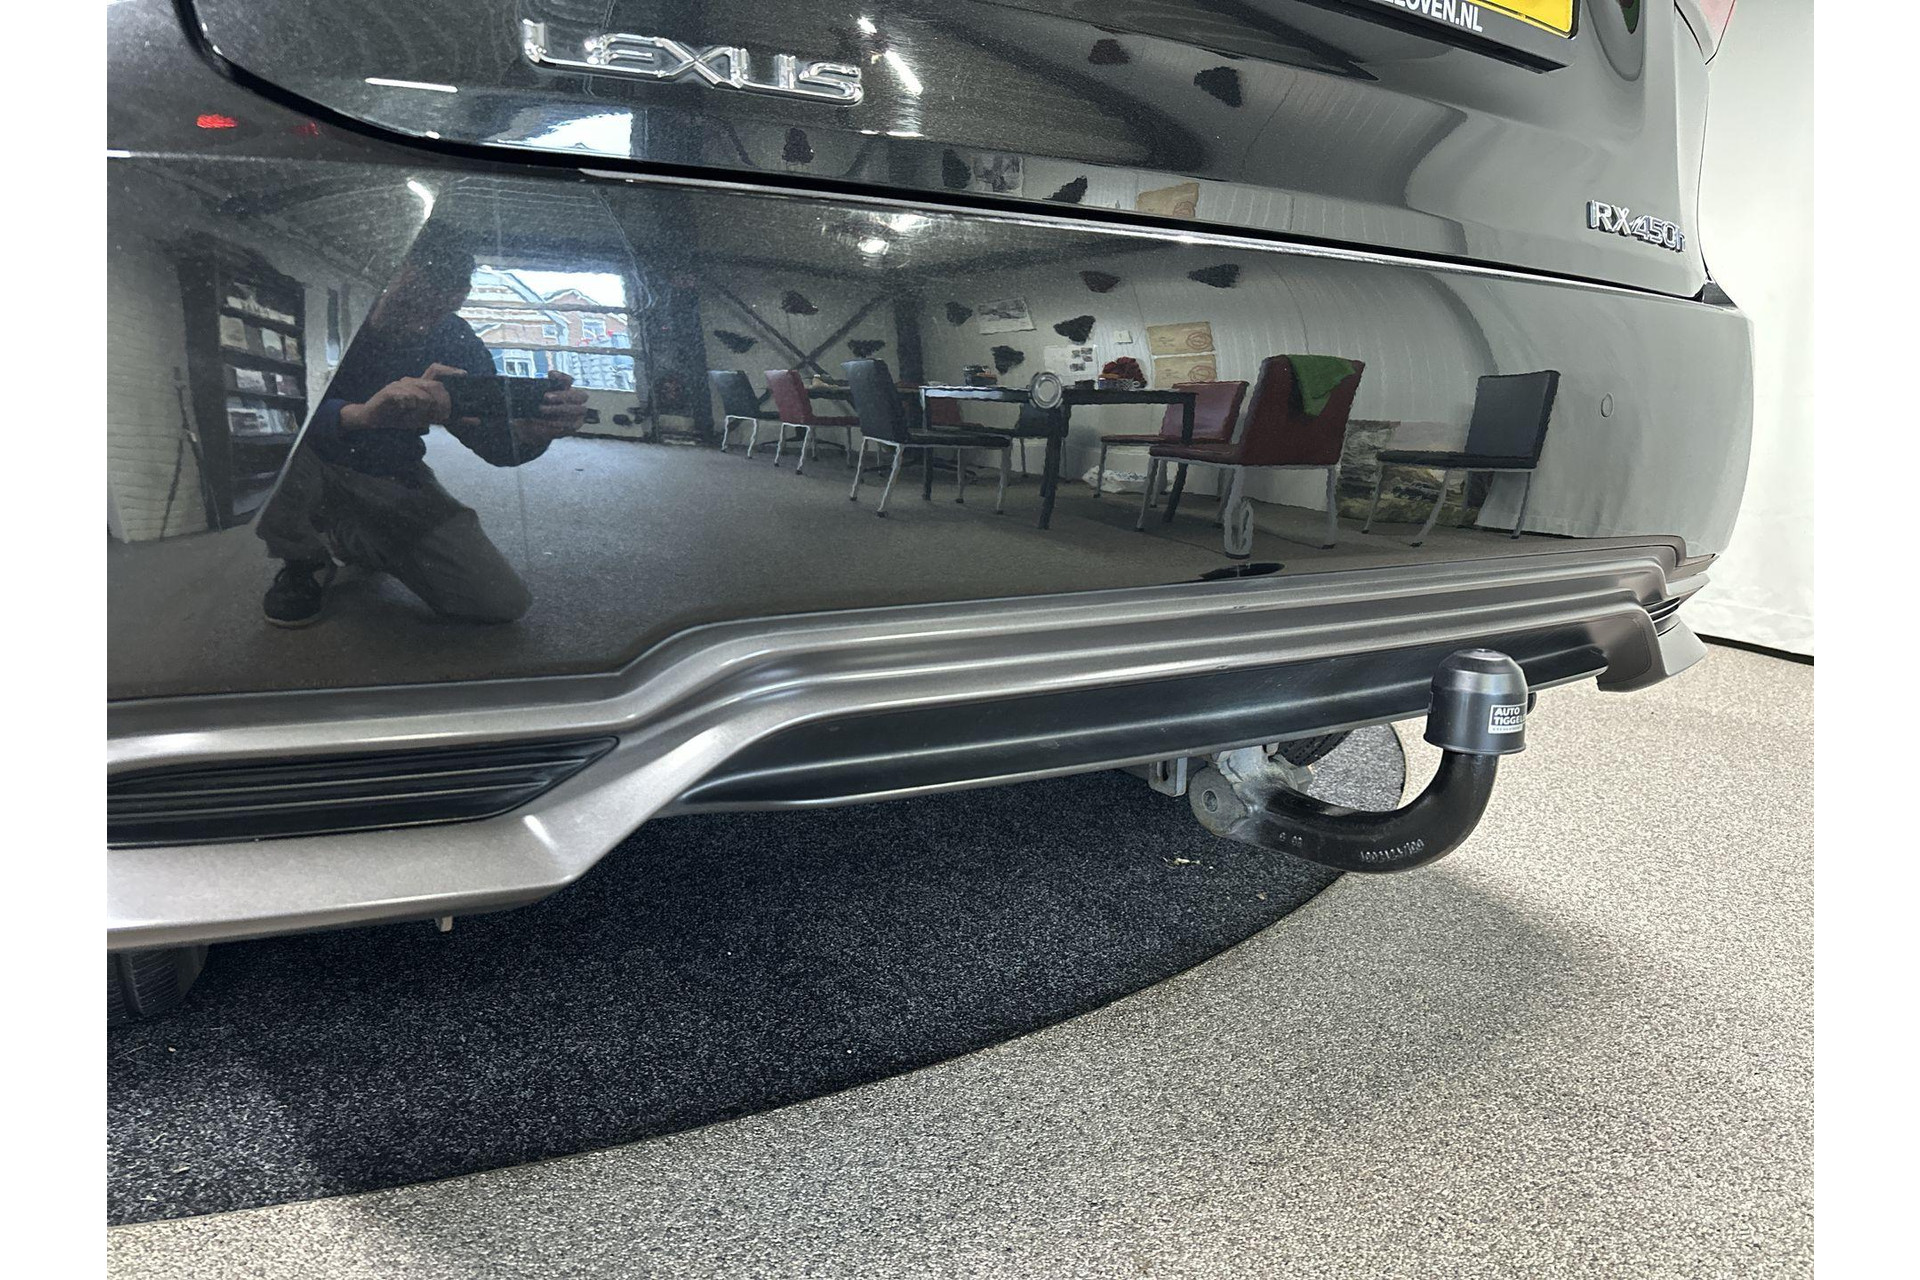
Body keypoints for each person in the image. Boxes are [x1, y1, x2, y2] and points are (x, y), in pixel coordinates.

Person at [255, 230, 588, 627]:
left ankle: (354, 534)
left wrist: (530, 433)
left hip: (389, 471)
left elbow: (493, 444)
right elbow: (276, 406)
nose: (419, 326)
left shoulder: (454, 338)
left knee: (499, 601)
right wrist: (361, 416)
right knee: (267, 445)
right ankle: (302, 558)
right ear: (380, 277)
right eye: (409, 303)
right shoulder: (322, 312)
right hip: (309, 460)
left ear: (458, 299)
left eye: (437, 311)